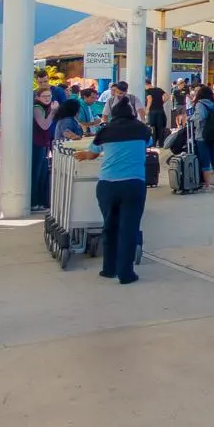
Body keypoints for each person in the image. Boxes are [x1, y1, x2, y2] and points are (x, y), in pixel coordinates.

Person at [75, 96, 151, 284]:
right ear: (132, 114)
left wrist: (83, 155)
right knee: (129, 227)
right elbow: (148, 146)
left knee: (110, 226)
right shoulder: (143, 130)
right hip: (134, 183)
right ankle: (126, 273)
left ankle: (108, 269)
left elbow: (92, 154)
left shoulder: (105, 130)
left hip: (107, 184)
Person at [192, 85, 214, 191]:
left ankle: (207, 185)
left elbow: (200, 117)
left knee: (205, 160)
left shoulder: (200, 104)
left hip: (202, 135)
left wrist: (192, 119)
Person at [32, 88, 58, 211]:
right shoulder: (37, 107)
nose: (47, 98)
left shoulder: (43, 108)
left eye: (49, 96)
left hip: (43, 143)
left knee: (41, 174)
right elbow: (44, 125)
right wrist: (53, 112)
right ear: (38, 97)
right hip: (37, 144)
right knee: (36, 174)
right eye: (44, 96)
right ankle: (33, 201)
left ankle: (39, 202)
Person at [145, 79, 168, 147]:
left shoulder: (147, 91)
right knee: (160, 127)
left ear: (146, 84)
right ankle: (161, 143)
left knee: (152, 127)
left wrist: (147, 109)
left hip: (152, 111)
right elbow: (167, 96)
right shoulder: (159, 89)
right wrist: (162, 102)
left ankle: (153, 143)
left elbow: (150, 99)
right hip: (160, 110)